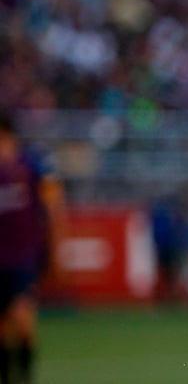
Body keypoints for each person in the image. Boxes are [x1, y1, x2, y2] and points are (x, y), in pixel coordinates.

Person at [0, 113, 66, 384]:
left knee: (23, 318)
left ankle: (25, 376)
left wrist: (55, 248)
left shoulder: (31, 165)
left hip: (23, 255)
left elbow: (53, 206)